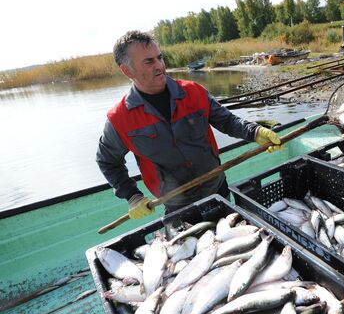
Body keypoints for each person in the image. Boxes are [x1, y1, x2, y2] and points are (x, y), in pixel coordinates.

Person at [96, 30, 282, 218]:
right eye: (149, 61)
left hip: (218, 191)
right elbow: (107, 161)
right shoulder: (119, 118)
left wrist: (255, 131)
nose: (160, 65)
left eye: (160, 58)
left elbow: (227, 121)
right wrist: (132, 196)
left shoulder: (194, 92)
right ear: (127, 70)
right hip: (177, 209)